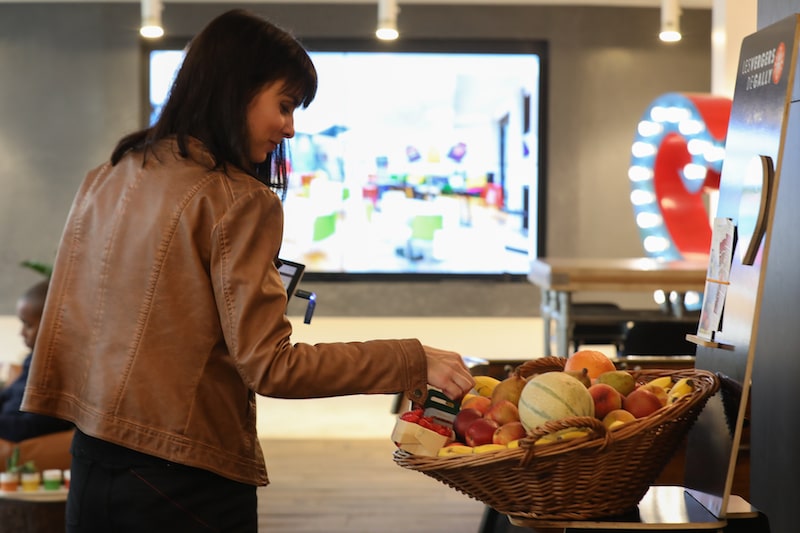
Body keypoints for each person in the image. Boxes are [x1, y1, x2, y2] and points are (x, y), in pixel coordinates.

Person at [22, 9, 475, 532]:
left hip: (92, 461)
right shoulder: (236, 199)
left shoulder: (106, 177)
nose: (290, 127)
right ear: (236, 89)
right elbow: (272, 367)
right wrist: (409, 359)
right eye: (283, 105)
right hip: (183, 476)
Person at [0, 280, 73, 443]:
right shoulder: (33, 359)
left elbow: (33, 427)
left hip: (18, 437)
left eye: (28, 324)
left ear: (54, 325)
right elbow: (8, 395)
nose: (21, 333)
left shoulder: (54, 372)